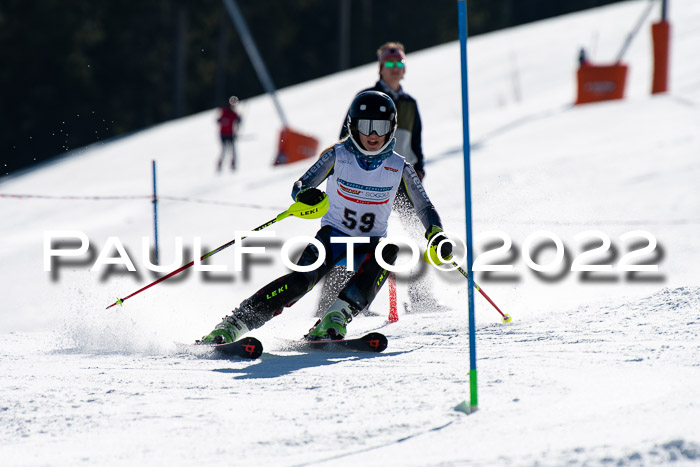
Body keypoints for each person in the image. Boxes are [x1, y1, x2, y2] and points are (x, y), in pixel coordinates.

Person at [200, 91, 452, 344]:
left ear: (392, 129)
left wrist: (436, 234)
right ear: (353, 126)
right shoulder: (338, 155)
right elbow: (300, 185)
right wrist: (306, 195)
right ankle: (234, 323)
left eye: (381, 126)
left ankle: (337, 316)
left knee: (389, 252)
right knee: (301, 281)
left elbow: (424, 207)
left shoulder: (400, 167)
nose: (373, 134)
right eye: (366, 126)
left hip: (369, 245)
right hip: (332, 238)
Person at [317, 41, 439, 316]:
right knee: (351, 235)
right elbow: (346, 137)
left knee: (416, 232)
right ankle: (337, 300)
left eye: (400, 64)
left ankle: (421, 297)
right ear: (381, 68)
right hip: (365, 175)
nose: (395, 69)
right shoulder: (367, 97)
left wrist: (419, 169)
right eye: (390, 64)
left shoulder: (409, 104)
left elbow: (415, 143)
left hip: (398, 177)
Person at [217, 96, 242, 171]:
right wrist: (223, 120)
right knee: (224, 150)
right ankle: (220, 165)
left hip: (230, 134)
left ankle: (233, 165)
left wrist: (239, 119)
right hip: (224, 134)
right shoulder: (224, 111)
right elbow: (218, 120)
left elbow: (238, 120)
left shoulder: (233, 113)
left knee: (233, 151)